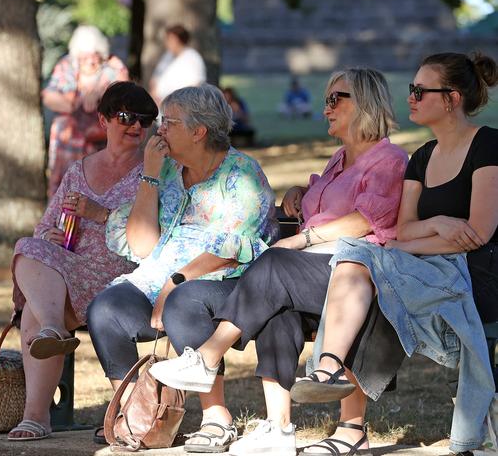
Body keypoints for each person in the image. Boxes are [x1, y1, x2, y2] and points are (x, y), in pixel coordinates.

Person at [149, 68, 409, 456]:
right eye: (325, 99)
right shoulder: (340, 159)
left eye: (337, 99)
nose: (326, 108)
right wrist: (300, 192)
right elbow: (329, 203)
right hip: (314, 270)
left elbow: (367, 219)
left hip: (355, 272)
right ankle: (279, 428)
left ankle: (207, 356)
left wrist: (301, 238)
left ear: (366, 105)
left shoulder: (388, 159)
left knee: (273, 265)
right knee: (276, 309)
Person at [291, 53, 498, 456]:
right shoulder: (422, 157)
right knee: (358, 261)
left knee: (363, 262)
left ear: (452, 99)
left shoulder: (488, 145)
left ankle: (344, 410)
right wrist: (438, 225)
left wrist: (414, 240)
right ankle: (330, 375)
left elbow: (478, 233)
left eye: (421, 91)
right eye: (411, 90)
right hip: (427, 266)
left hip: (479, 271)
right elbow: (402, 231)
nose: (412, 98)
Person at [86, 84, 279, 448]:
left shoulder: (241, 175)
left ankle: (216, 418)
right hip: (160, 278)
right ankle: (137, 415)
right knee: (105, 309)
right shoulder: (171, 171)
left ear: (198, 131)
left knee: (184, 301)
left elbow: (234, 249)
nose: (158, 131)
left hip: (224, 280)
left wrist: (177, 281)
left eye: (168, 123)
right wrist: (150, 174)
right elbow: (142, 244)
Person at [7, 81, 158, 441]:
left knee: (37, 308)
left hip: (123, 275)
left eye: (145, 120)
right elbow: (45, 226)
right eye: (126, 117)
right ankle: (52, 331)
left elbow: (149, 236)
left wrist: (101, 213)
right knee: (29, 245)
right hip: (71, 271)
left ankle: (37, 413)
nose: (136, 126)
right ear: (104, 121)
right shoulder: (78, 171)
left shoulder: (151, 173)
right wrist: (50, 237)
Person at [42, 25, 129, 198]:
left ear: (101, 52)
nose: (90, 60)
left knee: (98, 186)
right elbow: (48, 96)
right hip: (69, 141)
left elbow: (126, 97)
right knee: (65, 187)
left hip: (102, 140)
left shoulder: (113, 67)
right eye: (84, 56)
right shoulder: (67, 65)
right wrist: (75, 102)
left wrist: (101, 96)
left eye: (94, 55)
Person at [149, 24, 207, 104]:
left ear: (177, 39)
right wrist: (154, 97)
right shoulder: (167, 56)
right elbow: (154, 80)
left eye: (170, 39)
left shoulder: (193, 57)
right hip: (160, 107)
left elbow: (196, 86)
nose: (166, 43)